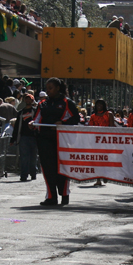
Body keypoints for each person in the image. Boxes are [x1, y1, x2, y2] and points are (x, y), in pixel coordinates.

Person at [31, 78, 79, 206]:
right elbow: (36, 119)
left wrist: (62, 123)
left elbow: (76, 118)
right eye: (47, 88)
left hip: (61, 140)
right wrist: (32, 124)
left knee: (61, 167)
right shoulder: (42, 103)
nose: (48, 91)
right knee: (47, 168)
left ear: (58, 88)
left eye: (50, 88)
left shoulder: (67, 102)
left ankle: (64, 195)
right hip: (44, 139)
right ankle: (51, 197)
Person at [88, 99, 115, 186]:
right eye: (97, 104)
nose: (99, 106)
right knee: (97, 159)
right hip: (95, 141)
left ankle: (105, 174)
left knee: (105, 158)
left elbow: (112, 127)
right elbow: (90, 128)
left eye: (101, 104)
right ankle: (98, 179)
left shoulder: (109, 114)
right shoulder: (93, 116)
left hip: (106, 140)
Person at [14, 92, 39, 182]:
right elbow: (17, 126)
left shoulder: (35, 111)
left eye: (30, 99)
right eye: (26, 99)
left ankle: (33, 173)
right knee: (24, 157)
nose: (28, 100)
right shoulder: (21, 113)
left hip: (34, 137)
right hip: (23, 137)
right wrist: (14, 139)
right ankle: (23, 175)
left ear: (32, 101)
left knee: (33, 157)